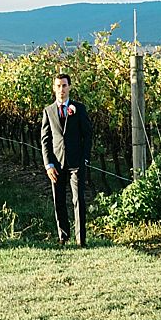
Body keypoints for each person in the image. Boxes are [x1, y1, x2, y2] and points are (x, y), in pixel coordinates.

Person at [40, 71, 92, 247]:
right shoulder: (48, 111)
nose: (61, 89)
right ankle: (63, 236)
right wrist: (48, 165)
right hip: (56, 163)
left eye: (64, 85)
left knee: (78, 200)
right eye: (58, 86)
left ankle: (80, 240)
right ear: (54, 89)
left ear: (69, 87)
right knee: (59, 200)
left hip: (76, 163)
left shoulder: (79, 109)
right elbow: (45, 140)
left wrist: (85, 159)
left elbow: (88, 135)